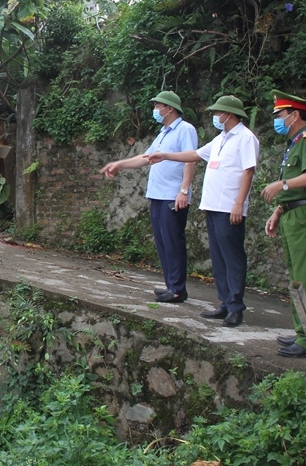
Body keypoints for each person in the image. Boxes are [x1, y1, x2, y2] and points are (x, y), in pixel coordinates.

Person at [146, 95, 259, 327]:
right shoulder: (220, 139)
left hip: (230, 207)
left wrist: (239, 202)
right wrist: (166, 155)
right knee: (218, 258)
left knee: (233, 258)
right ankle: (225, 302)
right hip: (213, 204)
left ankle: (236, 306)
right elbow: (195, 155)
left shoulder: (246, 138)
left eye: (219, 112)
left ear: (230, 114)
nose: (216, 116)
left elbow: (248, 171)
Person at [99, 91, 197, 303]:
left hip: (173, 195)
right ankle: (171, 285)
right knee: (162, 241)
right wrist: (120, 164)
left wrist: (184, 190)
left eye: (158, 106)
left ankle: (178, 289)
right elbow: (146, 158)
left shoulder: (185, 130)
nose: (155, 110)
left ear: (169, 108)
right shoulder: (163, 133)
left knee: (173, 241)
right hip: (157, 195)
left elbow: (191, 160)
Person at [261, 90, 306, 358]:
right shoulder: (295, 144)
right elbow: (294, 189)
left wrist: (282, 184)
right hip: (292, 213)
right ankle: (302, 332)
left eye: (279, 115)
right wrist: (278, 211)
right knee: (296, 276)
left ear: (294, 115)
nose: (276, 119)